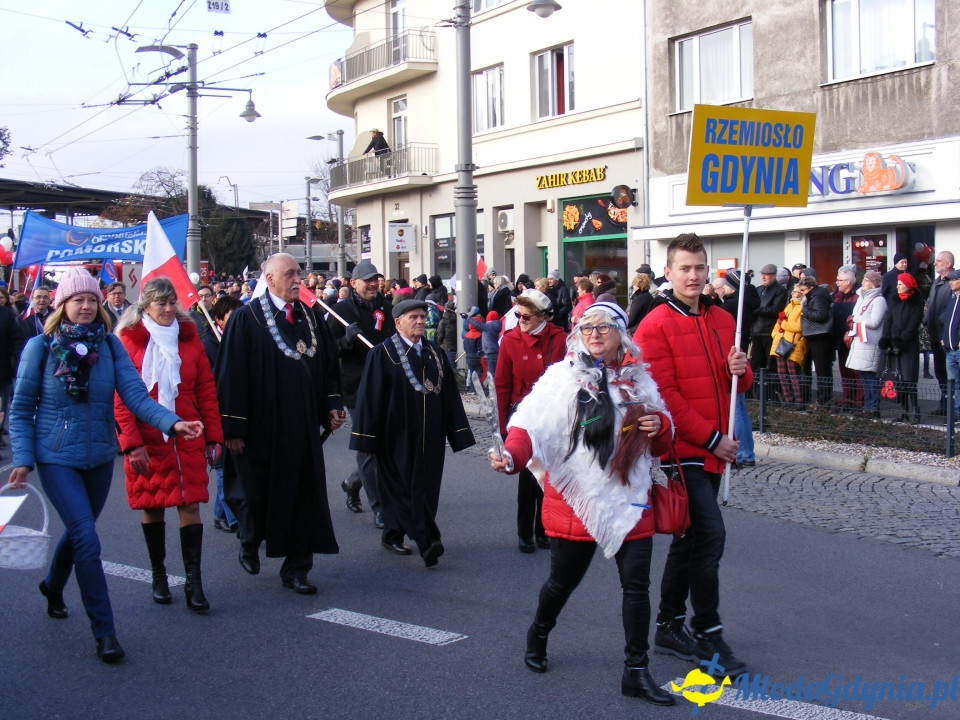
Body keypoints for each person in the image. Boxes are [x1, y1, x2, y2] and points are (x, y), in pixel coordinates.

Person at [7, 267, 203, 663]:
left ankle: (53, 585)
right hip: (56, 457)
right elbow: (22, 407)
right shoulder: (40, 347)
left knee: (79, 531)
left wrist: (173, 423)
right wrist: (23, 460)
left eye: (91, 300)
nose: (85, 306)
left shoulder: (110, 346)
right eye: (77, 299)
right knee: (86, 537)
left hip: (98, 457)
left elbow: (136, 397)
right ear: (62, 305)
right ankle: (105, 633)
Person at [491, 301, 674, 705]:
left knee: (637, 587)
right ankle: (539, 633)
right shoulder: (562, 379)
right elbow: (529, 425)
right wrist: (512, 457)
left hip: (630, 495)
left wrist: (659, 425)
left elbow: (662, 439)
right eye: (586, 327)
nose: (594, 334)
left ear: (621, 334)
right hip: (578, 499)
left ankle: (636, 670)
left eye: (603, 327)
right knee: (562, 582)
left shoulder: (638, 379)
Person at [633, 232, 751, 677]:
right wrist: (712, 437)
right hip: (680, 451)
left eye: (700, 268)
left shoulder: (723, 318)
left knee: (689, 539)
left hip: (714, 449)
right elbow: (663, 396)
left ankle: (668, 625)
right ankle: (707, 630)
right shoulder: (655, 325)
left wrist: (741, 369)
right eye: (684, 268)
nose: (694, 276)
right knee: (709, 535)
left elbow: (735, 383)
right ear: (669, 272)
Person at [216, 253, 345, 594]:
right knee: (258, 495)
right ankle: (250, 538)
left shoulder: (311, 317)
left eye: (298, 273)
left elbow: (328, 365)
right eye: (289, 274)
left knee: (303, 495)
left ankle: (297, 568)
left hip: (302, 427)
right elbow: (231, 376)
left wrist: (332, 403)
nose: (297, 280)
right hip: (260, 428)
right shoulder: (246, 319)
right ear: (270, 279)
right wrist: (233, 429)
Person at [114, 278, 224, 611]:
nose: (167, 308)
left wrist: (214, 436)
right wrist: (131, 444)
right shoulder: (128, 341)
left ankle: (194, 582)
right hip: (148, 435)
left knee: (190, 504)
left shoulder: (189, 340)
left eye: (171, 302)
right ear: (145, 306)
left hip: (188, 432)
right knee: (153, 504)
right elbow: (121, 399)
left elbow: (206, 390)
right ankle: (159, 574)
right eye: (160, 303)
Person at [350, 299, 475, 567]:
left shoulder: (434, 352)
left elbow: (450, 395)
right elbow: (370, 398)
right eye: (413, 317)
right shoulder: (383, 354)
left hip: (431, 435)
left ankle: (393, 534)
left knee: (427, 487)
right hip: (395, 435)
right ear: (398, 323)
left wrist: (458, 432)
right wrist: (365, 439)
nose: (420, 321)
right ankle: (427, 540)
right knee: (401, 489)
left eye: (421, 316)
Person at [495, 289, 568, 553]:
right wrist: (503, 428)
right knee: (527, 477)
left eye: (526, 316)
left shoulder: (560, 339)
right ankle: (525, 532)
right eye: (518, 315)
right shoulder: (510, 340)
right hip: (523, 417)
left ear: (542, 317)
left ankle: (544, 529)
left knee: (549, 474)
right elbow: (502, 385)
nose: (521, 320)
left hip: (552, 416)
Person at [327, 260, 394, 528]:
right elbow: (327, 350)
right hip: (356, 388)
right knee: (367, 446)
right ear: (354, 283)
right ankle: (379, 507)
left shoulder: (387, 308)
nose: (373, 284)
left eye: (376, 279)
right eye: (367, 280)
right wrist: (345, 340)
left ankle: (352, 482)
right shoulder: (340, 311)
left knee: (385, 445)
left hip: (386, 385)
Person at [202, 294, 243, 533]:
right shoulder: (208, 345)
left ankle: (219, 514)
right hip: (215, 412)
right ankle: (232, 517)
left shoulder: (242, 339)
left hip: (236, 409)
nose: (238, 320)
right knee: (221, 466)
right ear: (218, 319)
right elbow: (204, 380)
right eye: (232, 316)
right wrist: (224, 370)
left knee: (233, 465)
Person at [715, 269, 758, 467]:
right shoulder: (746, 301)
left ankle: (742, 452)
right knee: (740, 408)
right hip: (740, 351)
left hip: (732, 354)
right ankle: (746, 451)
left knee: (737, 408)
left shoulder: (731, 306)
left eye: (725, 285)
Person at [881, 272, 924, 423]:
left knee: (909, 379)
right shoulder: (894, 300)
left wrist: (902, 341)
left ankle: (915, 411)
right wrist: (887, 339)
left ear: (908, 285)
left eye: (900, 284)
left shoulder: (916, 302)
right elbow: (888, 320)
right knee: (898, 379)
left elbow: (913, 324)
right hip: (893, 344)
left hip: (908, 346)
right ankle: (904, 411)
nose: (897, 287)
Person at [845, 270, 888, 417]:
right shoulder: (861, 297)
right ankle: (867, 406)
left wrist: (856, 318)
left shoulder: (879, 301)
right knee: (863, 376)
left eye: (866, 280)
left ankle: (873, 408)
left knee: (871, 377)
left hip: (871, 343)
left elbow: (874, 322)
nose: (862, 282)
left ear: (874, 284)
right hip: (860, 341)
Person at [798, 276, 835, 408]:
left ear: (811, 288)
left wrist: (804, 309)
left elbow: (820, 315)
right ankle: (823, 400)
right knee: (822, 371)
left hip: (820, 337)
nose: (802, 293)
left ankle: (824, 402)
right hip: (817, 337)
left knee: (822, 371)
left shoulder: (817, 297)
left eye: (803, 290)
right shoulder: (816, 296)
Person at [926, 251, 955, 414]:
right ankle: (944, 405)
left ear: (948, 264)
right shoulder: (937, 282)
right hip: (935, 336)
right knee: (940, 372)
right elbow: (931, 304)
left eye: (939, 261)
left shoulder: (953, 282)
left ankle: (952, 408)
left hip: (948, 337)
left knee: (951, 374)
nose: (935, 263)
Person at [770, 286, 807, 406]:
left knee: (793, 375)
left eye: (796, 291)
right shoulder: (789, 306)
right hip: (781, 343)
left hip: (793, 344)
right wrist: (775, 334)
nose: (793, 294)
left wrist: (784, 325)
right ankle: (788, 401)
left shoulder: (803, 307)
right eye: (793, 291)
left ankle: (799, 403)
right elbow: (778, 323)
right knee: (782, 375)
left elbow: (799, 326)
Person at [833, 265, 863, 408]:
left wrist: (850, 331)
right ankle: (848, 398)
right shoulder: (838, 296)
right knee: (844, 371)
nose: (836, 283)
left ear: (848, 282)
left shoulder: (858, 296)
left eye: (839, 280)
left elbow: (858, 317)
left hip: (853, 339)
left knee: (856, 371)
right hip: (840, 338)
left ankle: (858, 400)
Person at [938, 269, 960, 421]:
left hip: (957, 349)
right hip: (949, 349)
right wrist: (944, 337)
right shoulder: (952, 297)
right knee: (953, 383)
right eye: (950, 280)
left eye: (954, 280)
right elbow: (947, 320)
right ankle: (955, 413)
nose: (951, 283)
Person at [468, 310, 502, 380]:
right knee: (494, 370)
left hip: (490, 351)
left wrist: (468, 318)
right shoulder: (497, 325)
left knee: (491, 372)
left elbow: (477, 324)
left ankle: (492, 385)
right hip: (495, 350)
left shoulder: (488, 326)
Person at [435, 297, 458, 369]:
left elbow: (440, 334)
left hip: (445, 347)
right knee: (453, 365)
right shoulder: (457, 320)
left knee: (446, 366)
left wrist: (438, 343)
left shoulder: (443, 321)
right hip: (456, 346)